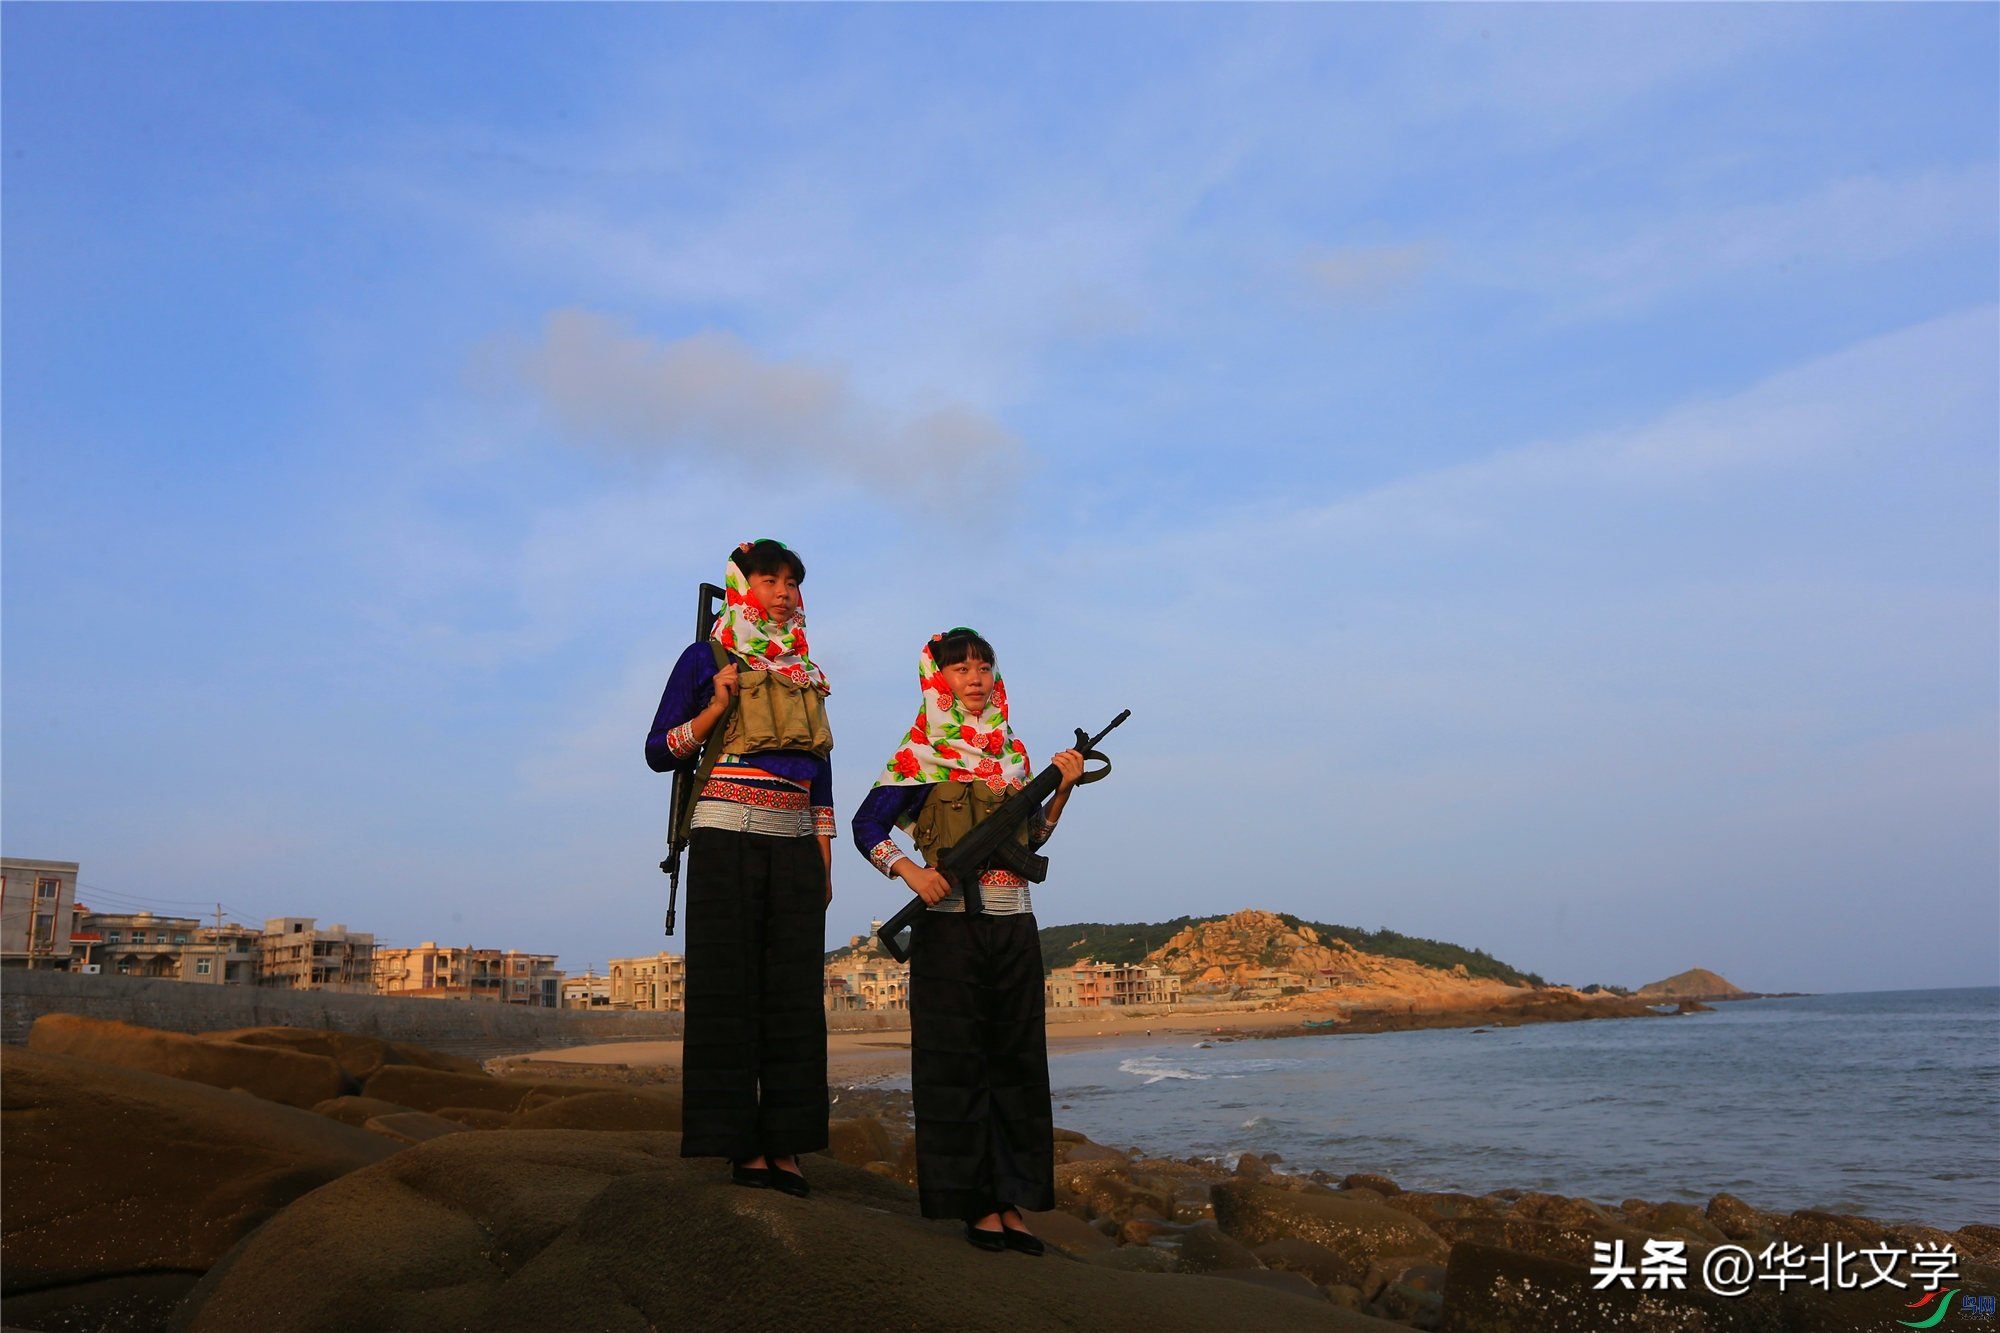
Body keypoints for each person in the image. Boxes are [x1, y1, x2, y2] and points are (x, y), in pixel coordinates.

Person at [850, 628, 1085, 1253]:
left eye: (984, 667)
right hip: (949, 929)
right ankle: (974, 1204)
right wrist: (910, 872)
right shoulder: (922, 752)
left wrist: (1060, 788)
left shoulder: (1013, 754)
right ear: (938, 679)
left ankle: (1011, 1200)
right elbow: (867, 825)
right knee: (957, 1065)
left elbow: (1030, 841)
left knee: (1017, 1063)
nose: (975, 678)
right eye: (960, 669)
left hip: (1014, 922)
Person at [645, 538, 834, 1196]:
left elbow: (821, 772)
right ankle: (739, 1146)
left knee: (793, 1000)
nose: (784, 590)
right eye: (770, 578)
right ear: (743, 584)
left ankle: (786, 1142)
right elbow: (658, 749)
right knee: (730, 994)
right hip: (726, 837)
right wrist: (715, 707)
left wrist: (825, 857)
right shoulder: (708, 656)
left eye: (791, 581)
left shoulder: (804, 668)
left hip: (796, 844)